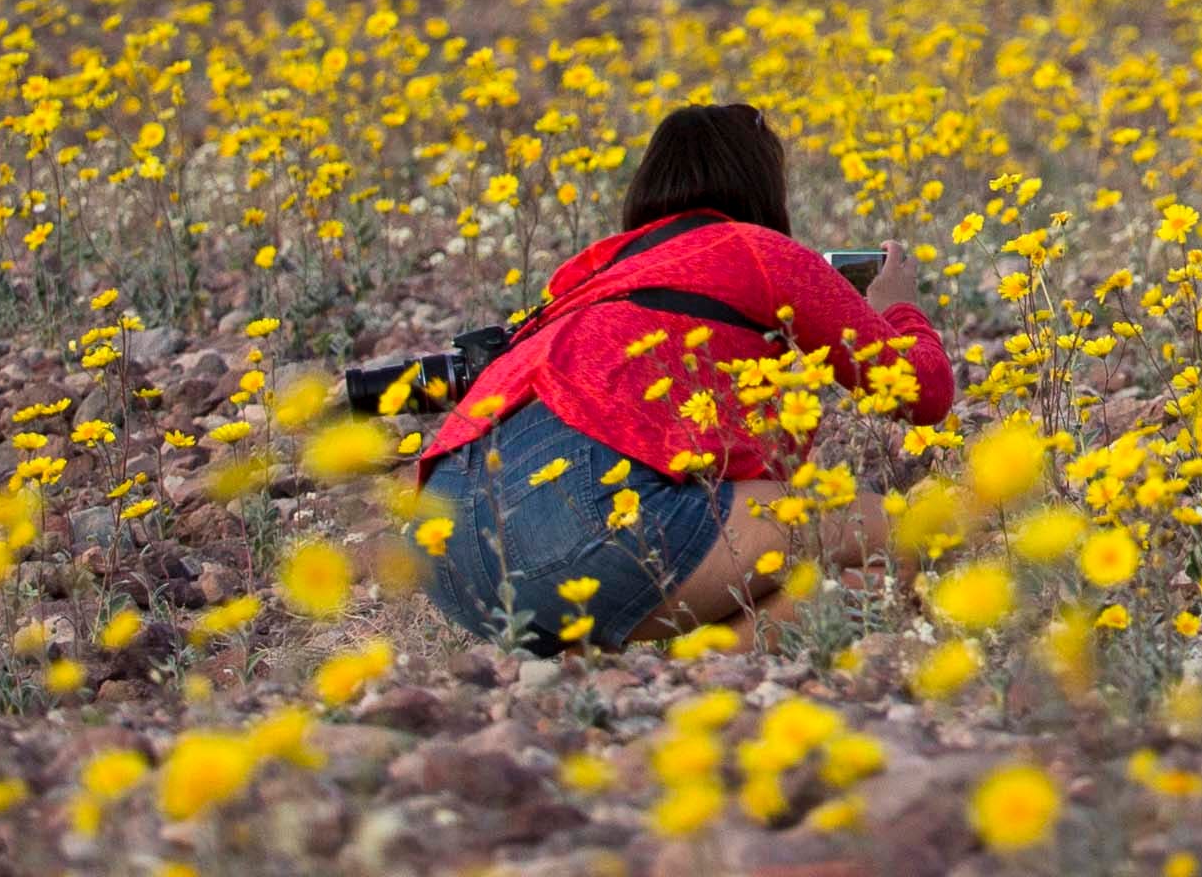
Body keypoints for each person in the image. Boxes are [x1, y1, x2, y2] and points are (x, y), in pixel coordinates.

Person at [411, 102, 959, 654]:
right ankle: (699, 667)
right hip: (574, 510)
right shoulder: (754, 248)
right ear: (764, 187)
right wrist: (897, 309)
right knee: (896, 533)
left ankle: (633, 670)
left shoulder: (589, 276)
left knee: (838, 585)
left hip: (445, 546)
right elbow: (924, 393)